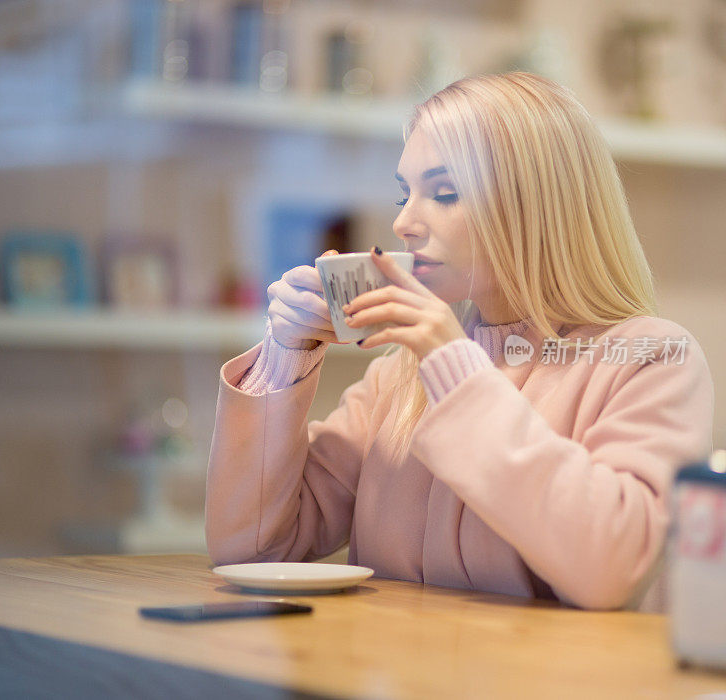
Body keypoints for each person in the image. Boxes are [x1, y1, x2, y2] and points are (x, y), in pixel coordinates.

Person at [205, 72, 714, 611]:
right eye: (406, 193)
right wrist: (285, 353)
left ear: (538, 207)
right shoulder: (398, 377)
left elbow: (614, 570)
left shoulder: (650, 360)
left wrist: (453, 366)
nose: (404, 222)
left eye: (445, 193)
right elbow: (255, 548)